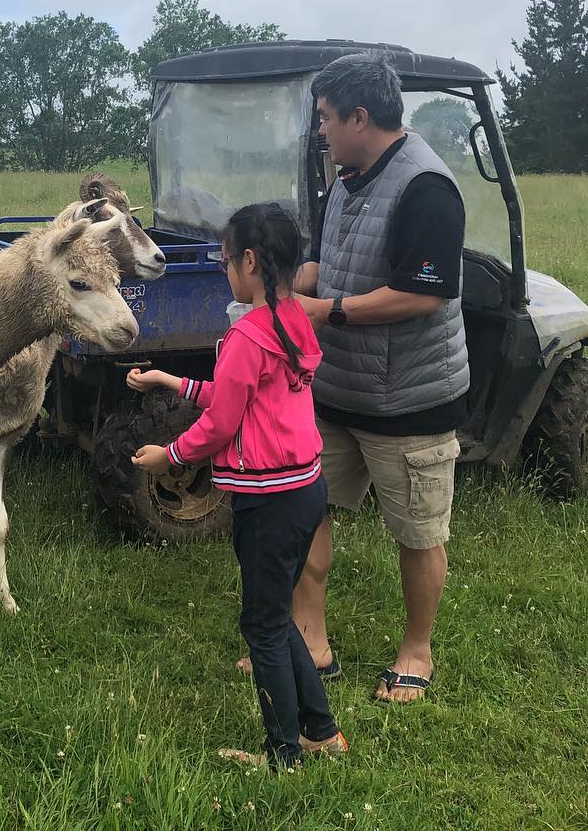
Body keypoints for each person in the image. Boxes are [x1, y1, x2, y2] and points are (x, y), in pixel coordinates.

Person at [128, 203, 348, 770]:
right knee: (276, 613)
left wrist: (167, 455)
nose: (226, 270)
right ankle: (320, 732)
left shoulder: (248, 335)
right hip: (304, 491)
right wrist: (172, 380)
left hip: (268, 499)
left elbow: (222, 423)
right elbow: (241, 399)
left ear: (249, 261)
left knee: (263, 624)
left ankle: (284, 755)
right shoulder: (293, 318)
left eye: (226, 260)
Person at [291, 51, 469, 703]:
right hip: (336, 391)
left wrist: (327, 310)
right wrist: (279, 289)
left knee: (418, 534)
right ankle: (310, 638)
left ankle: (416, 652)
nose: (321, 131)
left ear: (360, 117)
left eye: (327, 118)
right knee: (307, 508)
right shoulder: (345, 180)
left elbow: (425, 294)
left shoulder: (427, 188)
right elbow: (326, 265)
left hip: (409, 400)